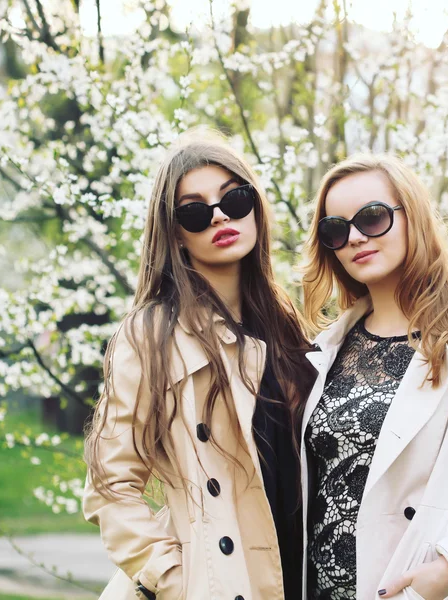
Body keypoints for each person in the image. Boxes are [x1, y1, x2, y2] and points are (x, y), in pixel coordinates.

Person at [83, 129, 314, 600]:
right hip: (220, 583)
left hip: (301, 571)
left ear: (256, 206)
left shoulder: (290, 325)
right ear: (175, 234)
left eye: (235, 198)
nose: (219, 217)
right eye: (194, 211)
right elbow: (110, 484)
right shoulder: (151, 334)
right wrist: (175, 581)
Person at [300, 154, 448, 600]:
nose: (354, 237)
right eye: (335, 228)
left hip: (401, 588)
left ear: (414, 218)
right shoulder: (324, 348)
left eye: (372, 217)